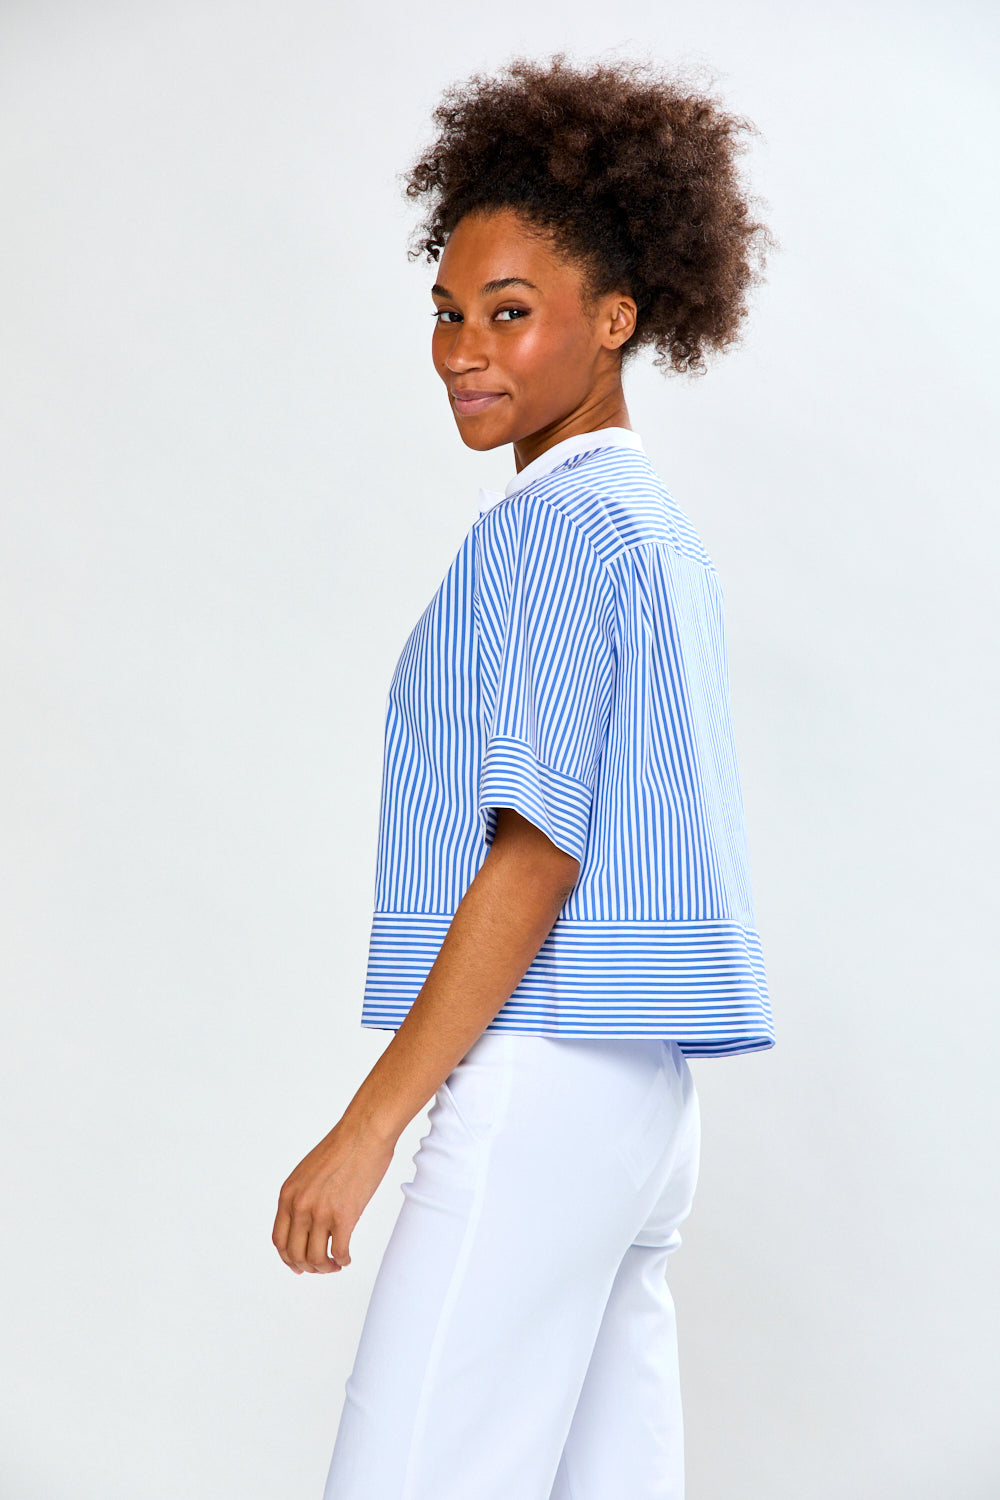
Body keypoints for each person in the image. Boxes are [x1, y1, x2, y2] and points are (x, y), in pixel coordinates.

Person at [272, 53, 776, 1500]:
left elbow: (536, 854)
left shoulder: (554, 532)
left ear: (614, 322)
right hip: (643, 1105)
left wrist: (366, 1132)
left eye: (510, 314)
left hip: (546, 1074)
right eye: (446, 312)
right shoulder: (653, 527)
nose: (463, 349)